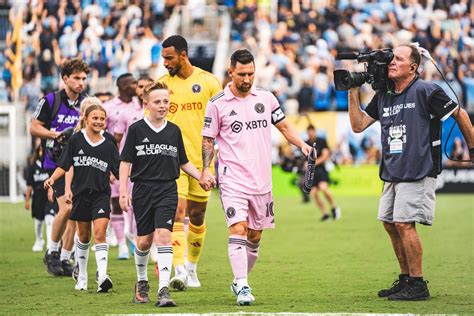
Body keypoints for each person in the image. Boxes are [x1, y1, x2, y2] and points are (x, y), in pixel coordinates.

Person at [348, 44, 474, 301]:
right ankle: (406, 278)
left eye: (398, 59)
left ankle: (418, 283)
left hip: (418, 169)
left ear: (413, 67)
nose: (391, 62)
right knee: (390, 223)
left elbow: (459, 114)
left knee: (405, 224)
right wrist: (352, 89)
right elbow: (358, 125)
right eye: (392, 58)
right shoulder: (384, 94)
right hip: (392, 171)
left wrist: (472, 147)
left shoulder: (427, 90)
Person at [201, 49, 311, 306]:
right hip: (232, 179)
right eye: (242, 74)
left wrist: (302, 145)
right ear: (231, 72)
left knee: (254, 237)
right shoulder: (217, 103)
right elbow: (208, 140)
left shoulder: (267, 98)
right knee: (238, 229)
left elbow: (283, 127)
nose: (247, 79)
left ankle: (240, 280)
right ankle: (243, 286)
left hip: (261, 181)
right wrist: (206, 169)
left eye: (251, 73)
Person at [119, 81, 212, 307]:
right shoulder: (136, 129)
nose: (163, 106)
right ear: (146, 104)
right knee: (144, 241)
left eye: (166, 102)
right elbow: (125, 162)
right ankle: (142, 281)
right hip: (142, 189)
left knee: (164, 235)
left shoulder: (173, 131)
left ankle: (163, 289)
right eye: (157, 102)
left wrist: (200, 176)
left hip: (167, 189)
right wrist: (123, 191)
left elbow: (183, 162)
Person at [158, 35, 222, 290]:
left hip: (202, 161)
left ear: (183, 55)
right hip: (172, 162)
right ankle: (179, 268)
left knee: (197, 216)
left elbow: (222, 120)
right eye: (163, 58)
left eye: (169, 58)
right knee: (177, 212)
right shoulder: (161, 86)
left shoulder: (208, 82)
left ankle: (192, 268)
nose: (165, 63)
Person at [45, 103, 119, 293]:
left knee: (101, 233)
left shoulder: (110, 142)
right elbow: (65, 164)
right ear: (86, 119)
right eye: (95, 118)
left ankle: (102, 276)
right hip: (81, 195)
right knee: (84, 236)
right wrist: (52, 179)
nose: (99, 121)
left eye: (102, 119)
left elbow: (119, 170)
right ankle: (83, 275)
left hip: (101, 195)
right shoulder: (76, 140)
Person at [30, 58, 89, 276]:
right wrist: (57, 134)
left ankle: (65, 257)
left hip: (79, 164)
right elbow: (34, 128)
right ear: (65, 78)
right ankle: (52, 252)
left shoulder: (85, 103)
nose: (81, 82)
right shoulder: (51, 100)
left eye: (84, 78)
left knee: (75, 212)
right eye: (76, 78)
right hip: (54, 163)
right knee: (66, 208)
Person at [114, 75, 154, 257]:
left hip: (153, 167)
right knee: (130, 206)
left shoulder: (160, 110)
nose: (143, 89)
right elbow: (117, 142)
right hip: (131, 168)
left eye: (148, 86)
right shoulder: (126, 113)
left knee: (149, 207)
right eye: (141, 86)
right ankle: (129, 238)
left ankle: (145, 242)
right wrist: (114, 167)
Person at [103, 73, 139, 260]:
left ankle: (133, 236)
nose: (136, 85)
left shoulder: (140, 106)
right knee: (116, 203)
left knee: (137, 204)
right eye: (132, 82)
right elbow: (104, 138)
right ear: (123, 86)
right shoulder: (108, 108)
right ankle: (122, 244)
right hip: (117, 164)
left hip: (138, 164)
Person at [24, 144, 57, 252]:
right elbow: (29, 185)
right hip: (37, 198)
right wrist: (27, 200)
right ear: (37, 151)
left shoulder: (51, 165)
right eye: (41, 150)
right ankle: (39, 240)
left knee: (49, 220)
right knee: (38, 222)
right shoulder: (33, 166)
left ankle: (49, 245)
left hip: (49, 196)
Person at [305, 125, 341, 221]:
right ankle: (325, 214)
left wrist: (314, 163)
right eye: (308, 132)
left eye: (311, 131)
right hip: (312, 172)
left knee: (324, 188)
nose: (310, 133)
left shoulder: (321, 141)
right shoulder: (306, 143)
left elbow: (325, 155)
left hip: (321, 170)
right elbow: (305, 159)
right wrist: (307, 165)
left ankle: (334, 207)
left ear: (314, 131)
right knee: (314, 193)